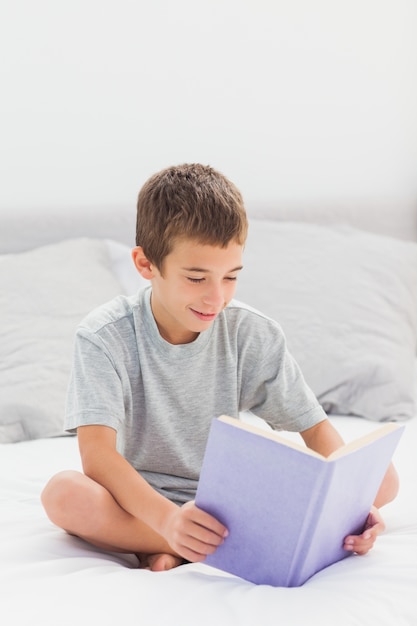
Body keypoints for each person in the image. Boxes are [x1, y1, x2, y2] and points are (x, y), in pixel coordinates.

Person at [41, 163, 399, 572]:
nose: (216, 298)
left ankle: (176, 547)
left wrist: (354, 509)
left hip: (235, 499)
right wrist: (169, 520)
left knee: (383, 479)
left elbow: (316, 429)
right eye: (196, 278)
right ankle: (178, 540)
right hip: (141, 500)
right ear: (145, 264)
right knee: (63, 494)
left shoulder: (252, 333)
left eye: (230, 277)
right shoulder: (104, 337)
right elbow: (98, 458)